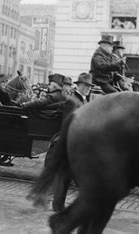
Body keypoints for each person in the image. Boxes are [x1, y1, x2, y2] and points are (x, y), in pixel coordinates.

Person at [46, 73, 94, 212]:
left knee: (67, 176)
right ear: (78, 85)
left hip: (76, 144)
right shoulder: (72, 101)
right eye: (85, 85)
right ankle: (60, 206)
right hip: (69, 143)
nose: (87, 88)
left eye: (89, 86)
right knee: (69, 177)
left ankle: (59, 205)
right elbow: (68, 125)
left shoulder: (84, 100)